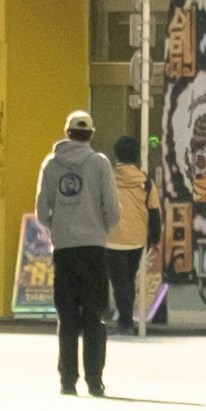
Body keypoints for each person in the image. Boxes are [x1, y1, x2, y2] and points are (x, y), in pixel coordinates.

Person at [35, 109, 123, 395]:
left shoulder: (51, 164)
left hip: (64, 249)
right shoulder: (99, 163)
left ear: (67, 133)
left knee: (68, 316)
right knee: (94, 316)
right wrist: (99, 227)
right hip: (94, 248)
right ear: (91, 134)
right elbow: (111, 207)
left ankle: (67, 381)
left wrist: (60, 228)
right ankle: (94, 381)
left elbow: (41, 210)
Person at [108, 130, 151, 333]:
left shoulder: (107, 178)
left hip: (112, 236)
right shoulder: (145, 181)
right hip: (137, 238)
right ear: (136, 156)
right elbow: (154, 210)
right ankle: (126, 318)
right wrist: (156, 238)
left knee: (118, 281)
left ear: (116, 155)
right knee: (129, 278)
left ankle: (124, 319)